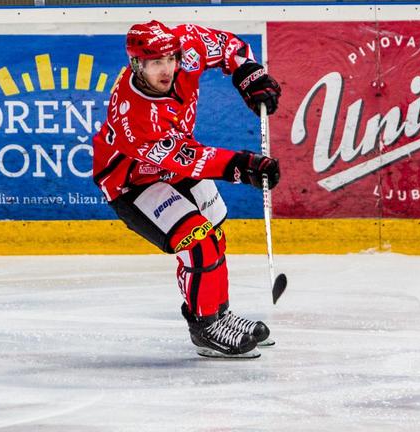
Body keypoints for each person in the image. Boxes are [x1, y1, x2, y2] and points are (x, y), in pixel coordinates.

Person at [92, 21, 281, 359]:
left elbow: (226, 45)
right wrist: (242, 165)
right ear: (137, 65)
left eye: (170, 59)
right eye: (154, 64)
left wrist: (249, 75)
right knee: (198, 243)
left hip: (175, 163)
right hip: (133, 182)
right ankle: (206, 326)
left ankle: (220, 314)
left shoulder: (187, 47)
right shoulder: (133, 116)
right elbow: (186, 159)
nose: (166, 69)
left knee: (215, 236)